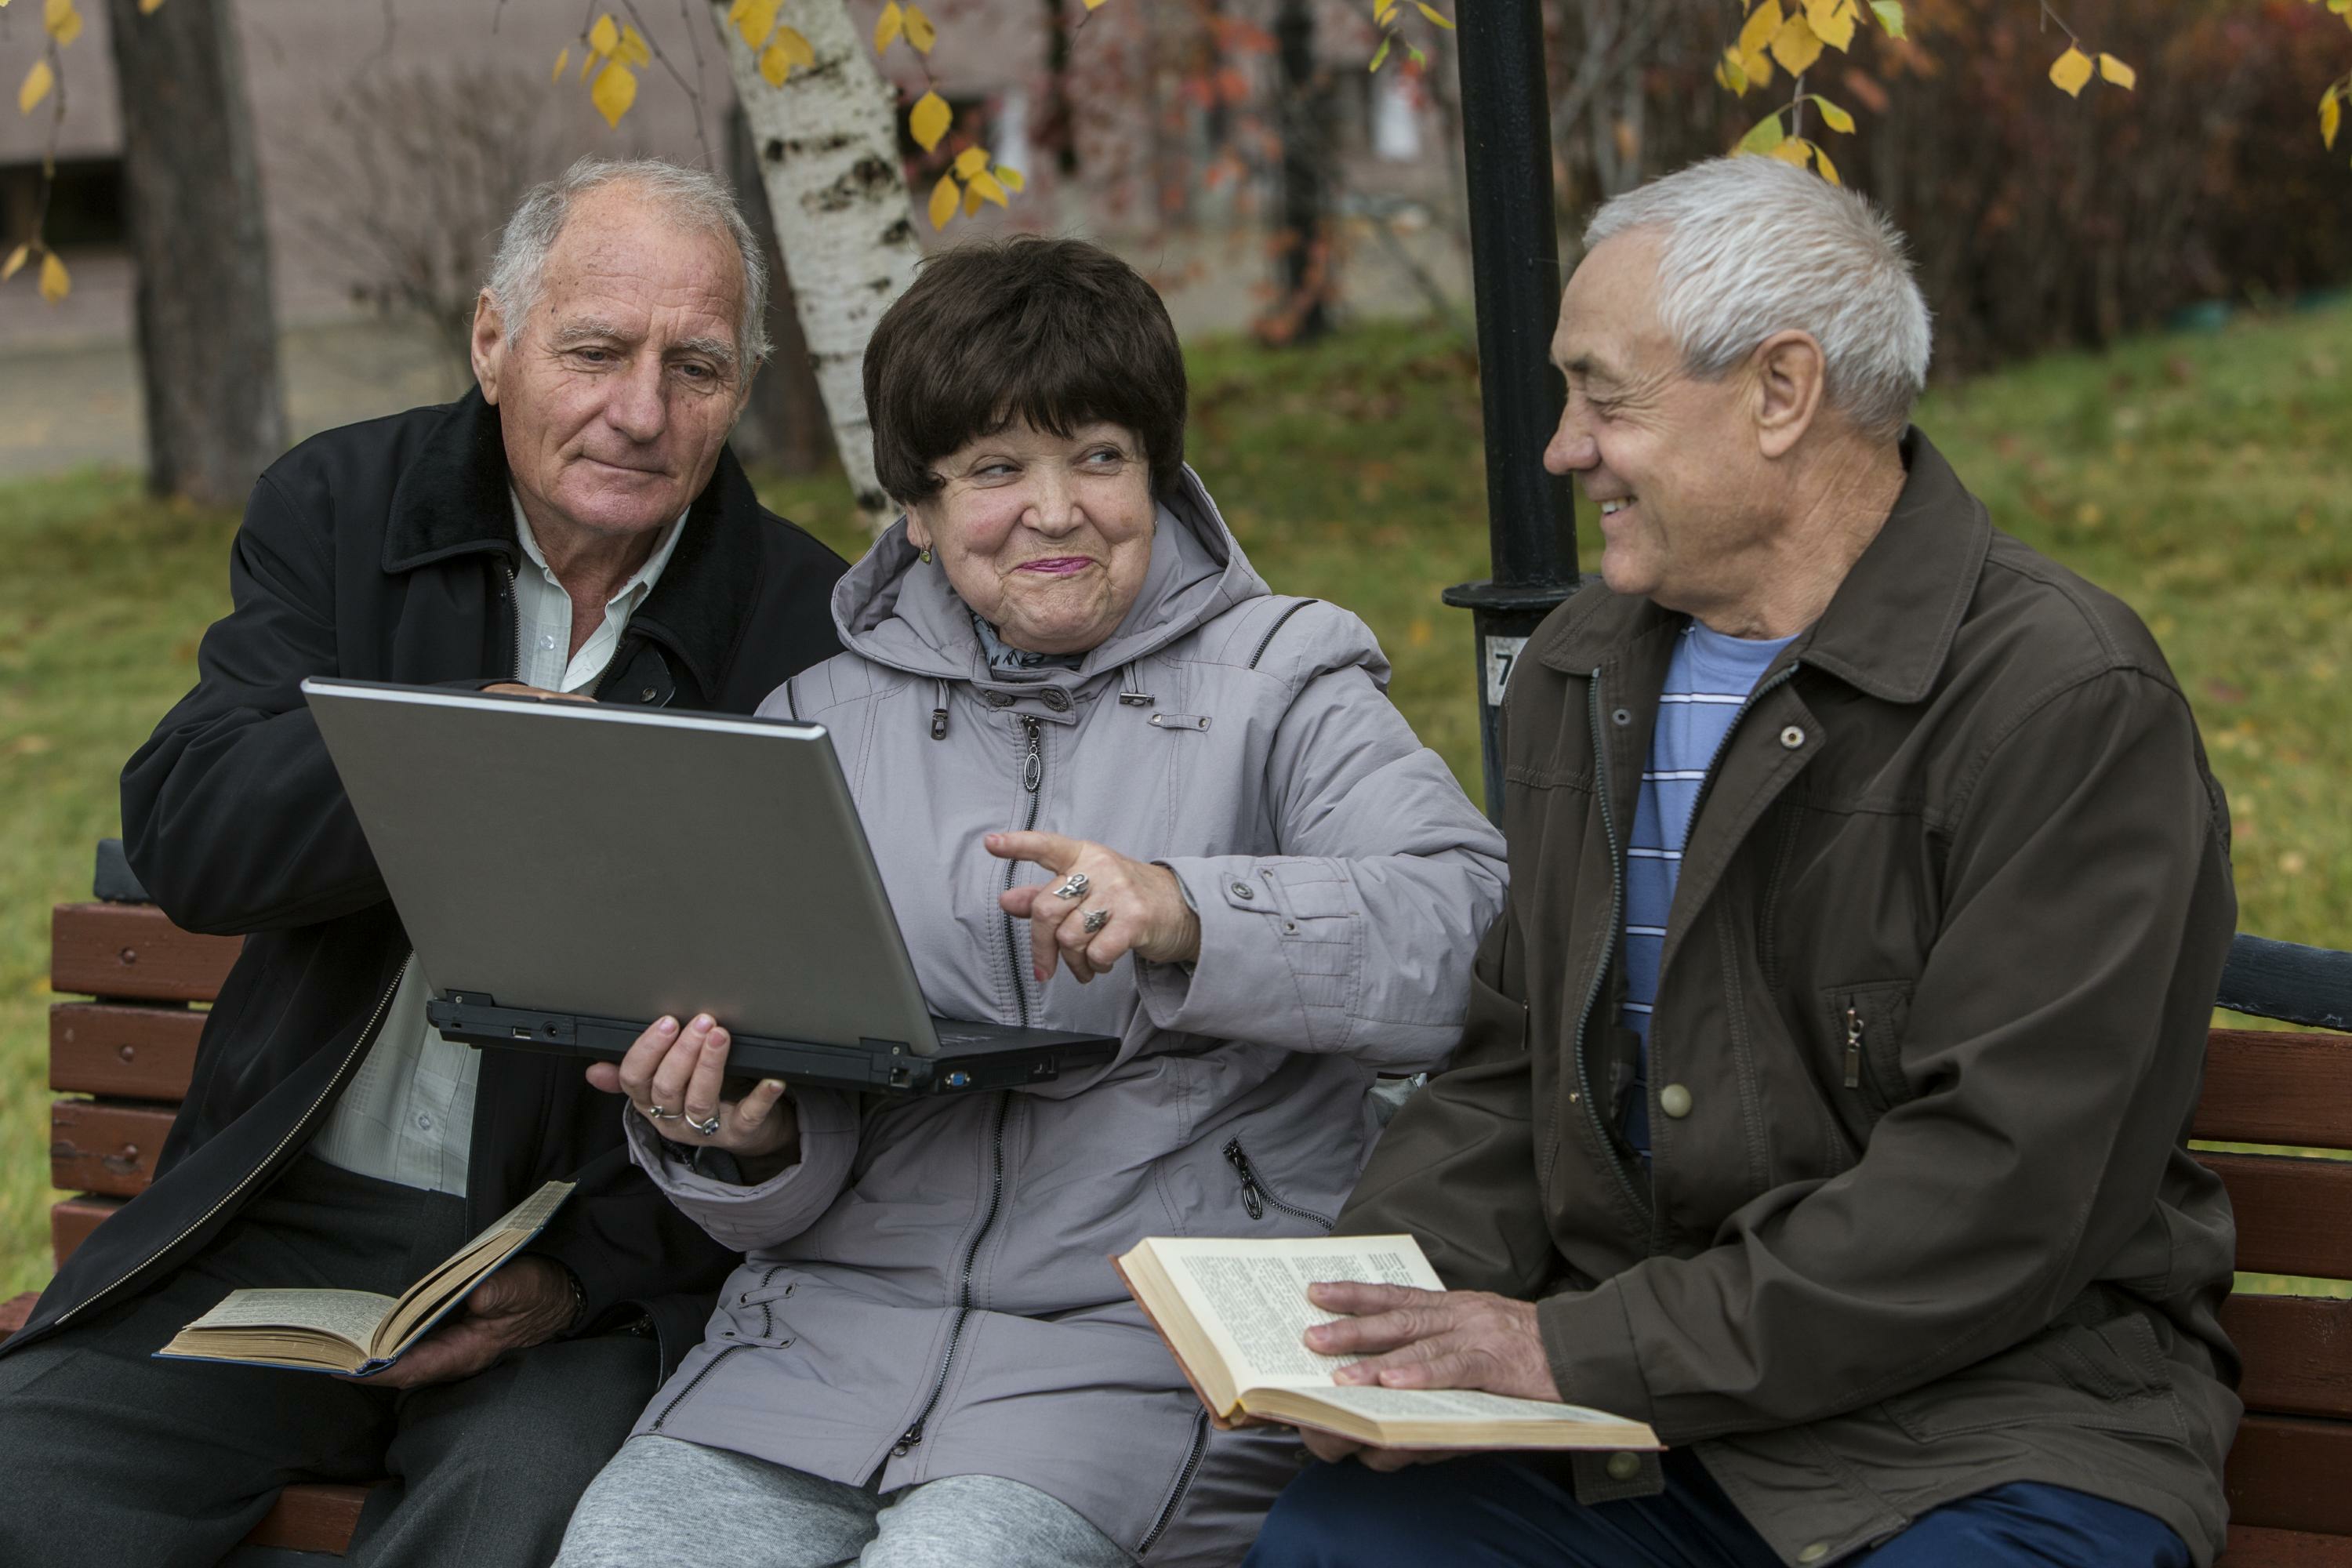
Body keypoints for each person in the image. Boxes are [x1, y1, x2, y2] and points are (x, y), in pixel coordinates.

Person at [1245, 155, 2240, 1568]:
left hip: (1994, 1428)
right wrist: (1374, 1317)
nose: (1561, 449)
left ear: (1782, 392)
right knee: (1336, 1550)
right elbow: (1504, 1077)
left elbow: (1998, 1196)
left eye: (1606, 395)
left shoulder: (2063, 703)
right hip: (1641, 1429)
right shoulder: (1578, 675)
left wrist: (1567, 1353)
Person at [549, 235, 1508, 1568]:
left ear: (1155, 474)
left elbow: (1468, 932)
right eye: (996, 470)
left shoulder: (1285, 677)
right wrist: (739, 1141)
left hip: (1144, 1347)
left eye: (1099, 457)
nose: (1055, 511)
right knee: (627, 1548)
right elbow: (790, 1122)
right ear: (920, 512)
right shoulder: (816, 723)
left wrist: (1186, 911)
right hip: (823, 1345)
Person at [0, 158, 847, 1567]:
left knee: (509, 1520)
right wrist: (449, 765)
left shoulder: (806, 622)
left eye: (694, 366)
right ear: (491, 341)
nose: (641, 412)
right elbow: (195, 834)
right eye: (595, 350)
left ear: (742, 385)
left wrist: (581, 1281)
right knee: (27, 1483)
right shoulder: (345, 508)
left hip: (580, 1258)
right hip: (284, 1219)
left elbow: (819, 1047)